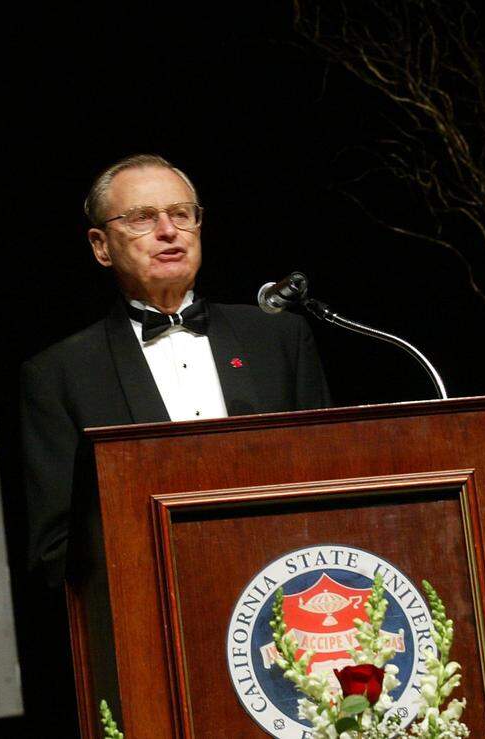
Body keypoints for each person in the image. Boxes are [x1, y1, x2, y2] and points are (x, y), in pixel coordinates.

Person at [21, 154, 330, 587]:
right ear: (101, 246)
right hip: (156, 611)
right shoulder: (61, 375)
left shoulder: (277, 339)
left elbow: (330, 489)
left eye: (181, 215)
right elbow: (55, 551)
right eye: (143, 218)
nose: (168, 231)